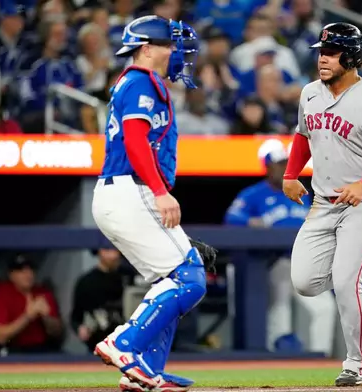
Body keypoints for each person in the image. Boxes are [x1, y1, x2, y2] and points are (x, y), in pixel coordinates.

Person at [90, 15, 217, 392]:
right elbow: (134, 141)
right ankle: (124, 344)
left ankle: (143, 371)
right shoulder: (140, 81)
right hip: (131, 188)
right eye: (169, 44)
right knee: (189, 278)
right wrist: (160, 192)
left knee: (175, 277)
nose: (176, 51)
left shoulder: (142, 82)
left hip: (128, 190)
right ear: (147, 48)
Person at [282, 22, 362, 386]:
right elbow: (303, 134)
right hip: (323, 201)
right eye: (321, 52)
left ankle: (358, 365)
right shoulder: (309, 93)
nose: (321, 58)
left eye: (330, 52)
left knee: (345, 282)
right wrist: (291, 174)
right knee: (305, 282)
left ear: (351, 56)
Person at [224, 146, 338, 356]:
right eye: (280, 165)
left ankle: (321, 357)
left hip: (307, 259)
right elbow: (231, 218)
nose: (286, 169)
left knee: (323, 308)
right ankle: (277, 357)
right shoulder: (254, 194)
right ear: (268, 168)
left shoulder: (302, 192)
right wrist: (250, 221)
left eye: (288, 164)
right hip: (275, 262)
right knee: (279, 309)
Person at [0, 255, 63, 353]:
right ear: (11, 275)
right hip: (14, 350)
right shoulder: (1, 295)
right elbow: (0, 337)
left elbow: (57, 332)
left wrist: (46, 317)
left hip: (42, 349)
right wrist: (27, 316)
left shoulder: (43, 293)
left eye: (30, 269)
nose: (28, 274)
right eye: (21, 270)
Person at [71, 247, 126, 352]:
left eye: (115, 250)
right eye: (108, 250)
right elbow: (76, 316)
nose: (113, 256)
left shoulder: (128, 276)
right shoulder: (86, 282)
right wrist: (80, 328)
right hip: (97, 344)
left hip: (127, 345)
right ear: (100, 252)